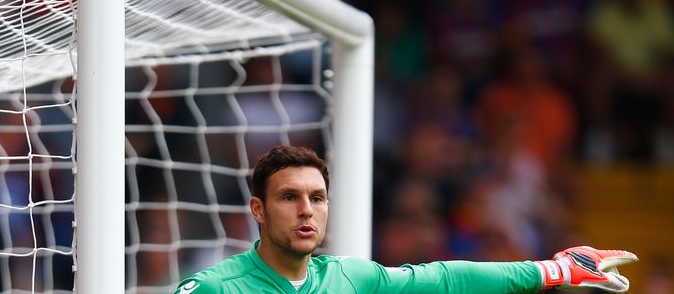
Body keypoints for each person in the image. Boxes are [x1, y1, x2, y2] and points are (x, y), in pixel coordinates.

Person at [173, 145, 637, 293]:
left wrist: (557, 270)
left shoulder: (348, 277)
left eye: (318, 197)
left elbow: (445, 278)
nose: (306, 210)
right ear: (258, 209)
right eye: (289, 197)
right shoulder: (215, 288)